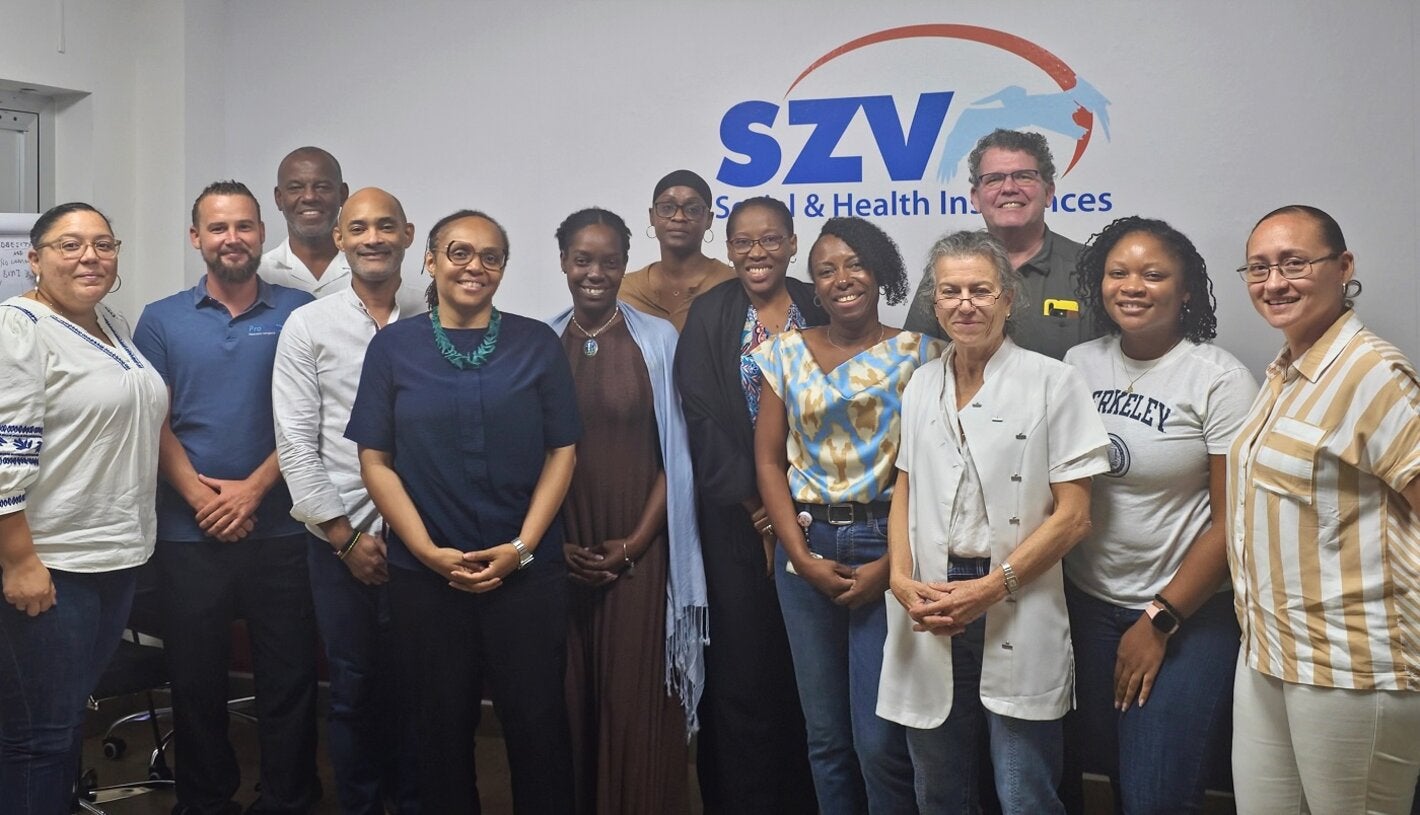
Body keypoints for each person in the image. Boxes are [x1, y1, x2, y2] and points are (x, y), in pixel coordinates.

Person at [346, 209, 580, 812]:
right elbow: (376, 459)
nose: (475, 266)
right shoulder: (393, 349)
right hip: (426, 578)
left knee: (538, 729)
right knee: (434, 734)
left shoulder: (537, 343)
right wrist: (424, 551)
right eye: (459, 252)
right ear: (429, 261)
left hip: (527, 574)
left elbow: (563, 451)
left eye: (491, 256)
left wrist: (524, 546)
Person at [877, 230, 1109, 814]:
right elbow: (905, 484)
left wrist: (989, 588)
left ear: (1008, 298)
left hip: (1014, 597)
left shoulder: (1054, 382)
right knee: (938, 788)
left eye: (980, 290)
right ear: (934, 302)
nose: (965, 304)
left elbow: (1075, 517)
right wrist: (900, 580)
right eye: (950, 291)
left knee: (1023, 789)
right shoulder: (923, 383)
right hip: (928, 603)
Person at [134, 180, 320, 814]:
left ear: (262, 233)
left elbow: (311, 416)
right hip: (189, 536)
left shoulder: (301, 311)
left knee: (290, 678)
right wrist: (200, 497)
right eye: (217, 228)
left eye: (243, 226)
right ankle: (206, 801)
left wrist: (254, 490)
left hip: (284, 529)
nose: (231, 238)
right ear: (196, 239)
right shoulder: (160, 319)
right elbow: (151, 419)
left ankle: (290, 799)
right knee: (195, 681)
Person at [1061, 216, 1258, 812]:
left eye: (1153, 274)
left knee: (1157, 794)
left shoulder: (1220, 379)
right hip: (1086, 607)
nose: (1133, 286)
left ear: (1187, 289)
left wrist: (1160, 619)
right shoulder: (1077, 362)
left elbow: (1232, 522)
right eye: (1118, 273)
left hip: (1184, 614)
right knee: (1110, 776)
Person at [1228, 205, 1420, 814]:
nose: (1275, 282)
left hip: (1351, 665)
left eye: (1294, 263)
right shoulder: (1286, 372)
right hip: (1269, 652)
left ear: (1343, 268)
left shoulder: (1373, 372)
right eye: (1259, 268)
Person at [753, 216, 941, 814]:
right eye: (826, 270)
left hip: (890, 543)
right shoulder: (781, 354)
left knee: (880, 739)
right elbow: (766, 464)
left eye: (855, 264)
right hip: (805, 544)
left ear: (880, 270)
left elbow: (933, 471)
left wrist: (891, 565)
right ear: (813, 284)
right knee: (826, 737)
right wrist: (801, 559)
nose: (842, 279)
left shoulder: (922, 354)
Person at [0, 203, 166, 813]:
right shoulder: (18, 327)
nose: (89, 256)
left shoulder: (111, 323)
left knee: (67, 724)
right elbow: (5, 451)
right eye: (69, 245)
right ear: (35, 257)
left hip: (112, 555)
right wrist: (19, 560)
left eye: (102, 244)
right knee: (37, 737)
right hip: (52, 561)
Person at [546, 207, 708, 814]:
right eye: (582, 260)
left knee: (636, 697)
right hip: (561, 546)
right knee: (568, 699)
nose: (594, 272)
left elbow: (680, 456)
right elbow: (530, 457)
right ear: (563, 262)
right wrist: (553, 542)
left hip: (641, 544)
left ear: (624, 265)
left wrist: (637, 543)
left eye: (608, 261)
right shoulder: (541, 340)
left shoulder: (658, 340)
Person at [272, 187, 426, 814]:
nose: (373, 238)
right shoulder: (308, 324)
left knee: (424, 690)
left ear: (409, 235)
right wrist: (344, 538)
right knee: (355, 689)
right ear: (340, 239)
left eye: (385, 226)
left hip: (428, 541)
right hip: (341, 543)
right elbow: (295, 443)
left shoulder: (435, 313)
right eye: (358, 227)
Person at [675, 195, 823, 813]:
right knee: (743, 672)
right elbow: (701, 416)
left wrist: (793, 512)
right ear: (727, 248)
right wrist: (760, 509)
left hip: (823, 519)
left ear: (792, 244)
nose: (756, 253)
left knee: (809, 673)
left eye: (769, 241)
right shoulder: (711, 312)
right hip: (736, 524)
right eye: (742, 242)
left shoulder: (824, 301)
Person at [903, 129, 1100, 359]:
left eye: (1024, 176)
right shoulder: (947, 269)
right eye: (994, 179)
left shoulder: (1091, 270)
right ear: (975, 197)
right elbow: (917, 360)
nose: (1008, 188)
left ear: (1049, 192)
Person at [618, 169, 736, 331]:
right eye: (667, 208)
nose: (679, 217)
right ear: (652, 216)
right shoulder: (625, 290)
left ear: (709, 219)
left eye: (692, 209)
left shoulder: (731, 284)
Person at [258, 146, 352, 298]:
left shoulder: (368, 267)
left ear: (342, 194)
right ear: (279, 198)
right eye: (295, 188)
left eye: (322, 187)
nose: (309, 197)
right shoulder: (258, 275)